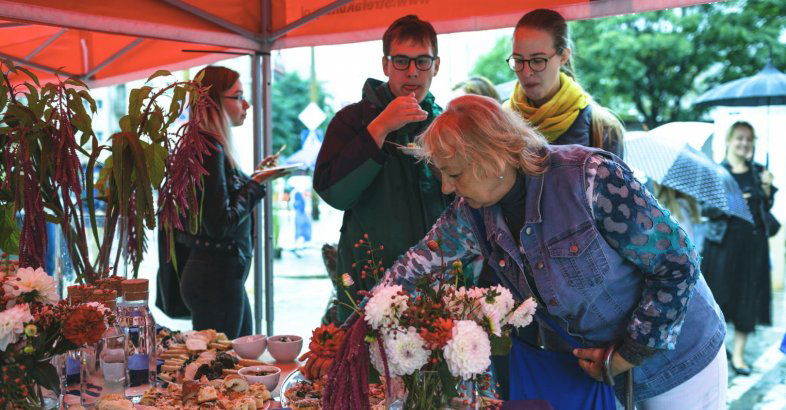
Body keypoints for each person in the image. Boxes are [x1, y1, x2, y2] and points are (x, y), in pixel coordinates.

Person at [380, 95, 727, 408]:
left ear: (493, 158)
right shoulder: (471, 212)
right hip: (602, 374)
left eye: (453, 174)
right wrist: (355, 329)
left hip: (681, 362)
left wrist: (629, 353)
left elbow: (678, 263)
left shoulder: (590, 177)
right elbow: (415, 267)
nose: (446, 186)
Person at [313, 15, 452, 322]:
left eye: (422, 61)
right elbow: (333, 193)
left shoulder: (448, 124)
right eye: (401, 61)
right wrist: (381, 127)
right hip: (367, 285)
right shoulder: (351, 121)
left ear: (436, 66)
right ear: (386, 65)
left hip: (436, 287)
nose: (412, 72)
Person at [171, 66, 285, 338]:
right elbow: (220, 222)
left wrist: (254, 178)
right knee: (226, 365)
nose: (246, 104)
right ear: (214, 103)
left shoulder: (206, 145)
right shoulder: (209, 149)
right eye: (238, 96)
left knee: (240, 353)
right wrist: (256, 185)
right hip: (215, 277)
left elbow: (219, 202)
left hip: (219, 274)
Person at [701, 121, 776, 376]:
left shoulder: (759, 172)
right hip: (722, 249)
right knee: (719, 301)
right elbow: (706, 209)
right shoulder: (717, 172)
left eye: (749, 139)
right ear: (729, 141)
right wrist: (731, 203)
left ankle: (740, 356)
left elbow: (764, 210)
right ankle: (720, 351)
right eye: (739, 138)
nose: (744, 143)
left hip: (753, 249)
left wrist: (766, 188)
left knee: (747, 299)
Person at [503, 8, 624, 156]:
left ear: (564, 56)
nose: (527, 72)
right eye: (519, 60)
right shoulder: (499, 124)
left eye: (538, 60)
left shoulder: (603, 128)